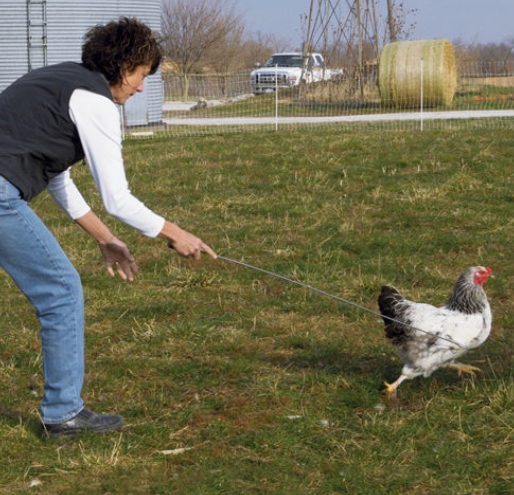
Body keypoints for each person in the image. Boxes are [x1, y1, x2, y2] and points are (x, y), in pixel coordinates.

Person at [0, 17, 216, 439]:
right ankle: (63, 414)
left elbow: (55, 175)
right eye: (140, 76)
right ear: (122, 66)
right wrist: (175, 233)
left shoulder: (62, 82)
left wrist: (105, 240)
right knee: (61, 289)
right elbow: (117, 198)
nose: (140, 88)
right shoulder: (94, 100)